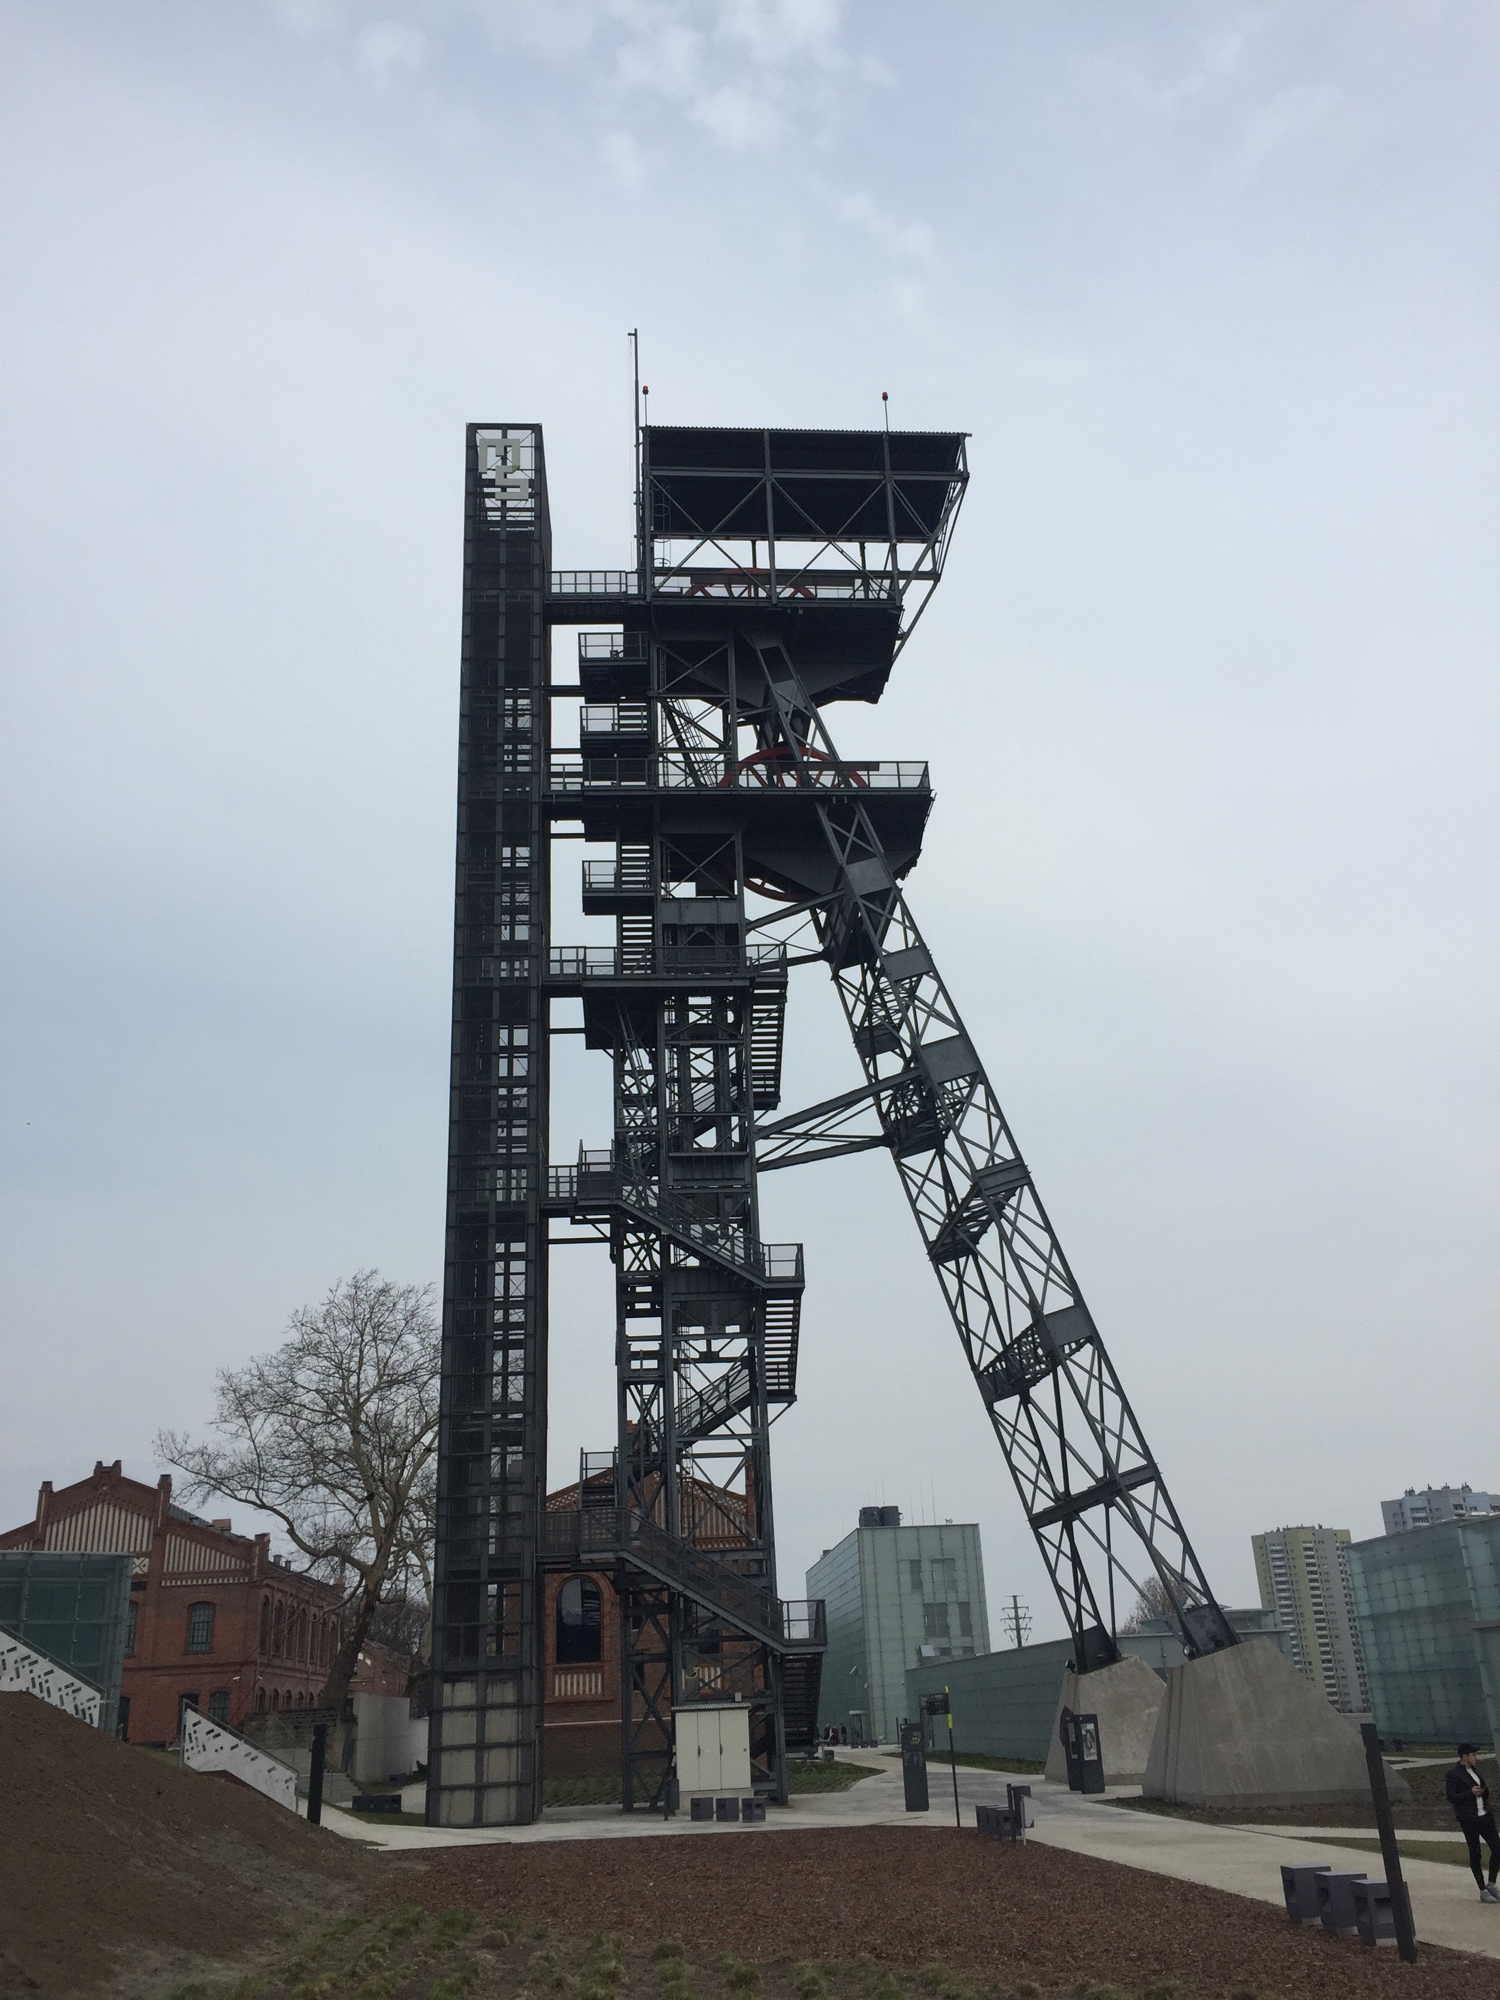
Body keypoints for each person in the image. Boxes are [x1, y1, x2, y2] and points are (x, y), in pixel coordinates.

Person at [1446, 1744, 1500, 1902]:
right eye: (1473, 1755)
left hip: (1485, 1817)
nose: (1476, 1758)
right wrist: (1470, 1793)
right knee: (1475, 1853)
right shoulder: (1453, 1774)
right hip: (1469, 1820)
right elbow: (1451, 1797)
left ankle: (1491, 1883)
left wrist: (1483, 1791)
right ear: (1464, 1756)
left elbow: (1484, 1791)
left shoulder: (1475, 1771)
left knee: (1497, 1849)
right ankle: (1482, 1890)